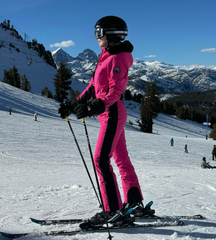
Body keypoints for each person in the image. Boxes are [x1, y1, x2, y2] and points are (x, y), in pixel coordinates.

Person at [59, 16, 146, 225]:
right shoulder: (105, 57)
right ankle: (134, 202)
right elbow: (92, 87)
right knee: (120, 158)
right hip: (110, 113)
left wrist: (96, 106)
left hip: (112, 113)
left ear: (110, 34)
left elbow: (115, 91)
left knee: (100, 160)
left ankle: (112, 211)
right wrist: (74, 105)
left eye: (99, 33)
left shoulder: (117, 59)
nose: (96, 37)